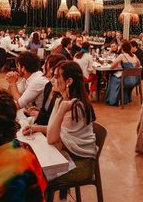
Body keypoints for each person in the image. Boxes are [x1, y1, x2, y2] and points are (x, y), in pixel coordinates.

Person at [26, 61, 97, 192]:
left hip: (80, 163)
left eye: (56, 77)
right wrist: (36, 128)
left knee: (33, 176)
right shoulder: (62, 100)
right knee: (31, 165)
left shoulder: (76, 107)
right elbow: (57, 130)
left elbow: (52, 138)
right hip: (65, 154)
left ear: (69, 81)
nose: (52, 80)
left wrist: (61, 111)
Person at [24, 54, 66, 126]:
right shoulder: (48, 86)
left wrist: (39, 115)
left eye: (45, 64)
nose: (42, 67)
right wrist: (39, 111)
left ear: (52, 69)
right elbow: (47, 113)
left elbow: (57, 123)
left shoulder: (62, 94)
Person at [105, 40, 141, 106]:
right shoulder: (134, 56)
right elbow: (139, 66)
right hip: (134, 80)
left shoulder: (122, 55)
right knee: (117, 76)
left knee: (113, 77)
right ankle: (125, 98)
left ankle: (113, 100)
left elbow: (112, 67)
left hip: (126, 80)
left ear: (123, 48)